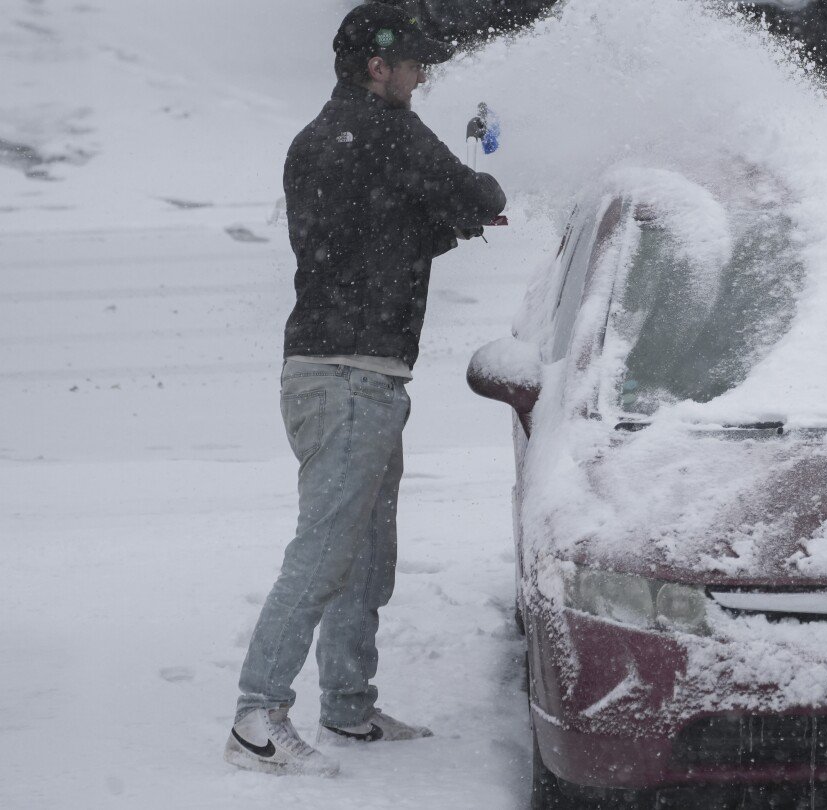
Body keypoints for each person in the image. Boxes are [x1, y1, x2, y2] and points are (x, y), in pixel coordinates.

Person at [224, 2, 506, 777]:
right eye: (415, 65)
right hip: (346, 378)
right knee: (323, 554)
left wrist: (457, 218)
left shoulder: (325, 140)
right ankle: (258, 714)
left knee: (365, 554)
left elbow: (383, 238)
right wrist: (483, 192)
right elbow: (467, 193)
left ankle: (348, 707)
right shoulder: (384, 130)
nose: (423, 77)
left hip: (352, 373)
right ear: (378, 67)